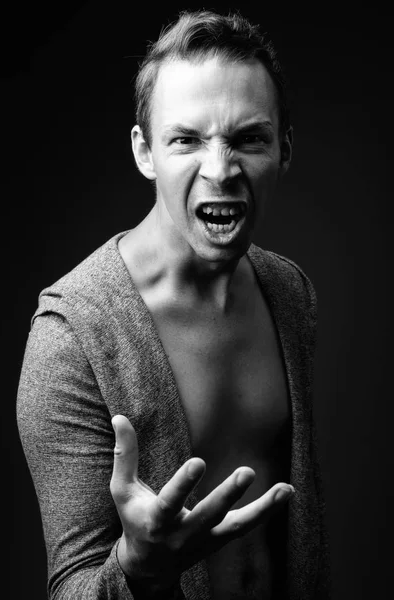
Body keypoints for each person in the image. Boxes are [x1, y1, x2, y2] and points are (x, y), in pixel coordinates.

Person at [17, 9, 330, 600]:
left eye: (248, 138)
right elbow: (71, 589)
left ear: (283, 149)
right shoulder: (72, 336)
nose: (220, 169)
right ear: (145, 152)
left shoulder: (291, 294)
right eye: (186, 140)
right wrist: (139, 565)